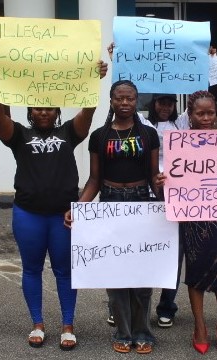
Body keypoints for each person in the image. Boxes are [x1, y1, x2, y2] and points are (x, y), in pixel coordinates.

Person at [0, 59, 108, 350]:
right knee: (31, 269)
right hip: (28, 214)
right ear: (30, 111)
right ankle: (37, 324)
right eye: (38, 107)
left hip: (63, 216)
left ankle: (67, 325)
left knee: (65, 271)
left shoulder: (69, 133)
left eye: (49, 107)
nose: (43, 112)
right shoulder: (18, 135)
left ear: (56, 111)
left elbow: (88, 112)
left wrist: (94, 79)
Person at [66, 79, 160, 354]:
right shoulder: (99, 136)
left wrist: (166, 196)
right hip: (110, 202)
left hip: (141, 202)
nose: (125, 103)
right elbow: (94, 180)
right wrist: (78, 206)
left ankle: (143, 331)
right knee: (116, 273)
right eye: (119, 98)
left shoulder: (149, 134)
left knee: (142, 273)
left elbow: (155, 178)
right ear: (112, 100)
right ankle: (123, 331)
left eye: (130, 98)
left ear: (136, 100)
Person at [154, 91, 217, 354]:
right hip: (193, 217)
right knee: (196, 270)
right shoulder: (178, 144)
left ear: (216, 113)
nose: (205, 118)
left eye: (210, 112)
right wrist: (161, 182)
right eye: (200, 113)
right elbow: (172, 179)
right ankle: (200, 326)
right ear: (189, 115)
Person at [146, 93, 189, 329]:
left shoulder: (180, 123)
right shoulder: (144, 124)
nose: (165, 106)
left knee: (175, 254)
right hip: (149, 197)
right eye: (161, 102)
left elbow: (196, 97)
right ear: (153, 103)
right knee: (144, 252)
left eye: (170, 102)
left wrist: (209, 60)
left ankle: (166, 307)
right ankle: (131, 304)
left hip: (179, 198)